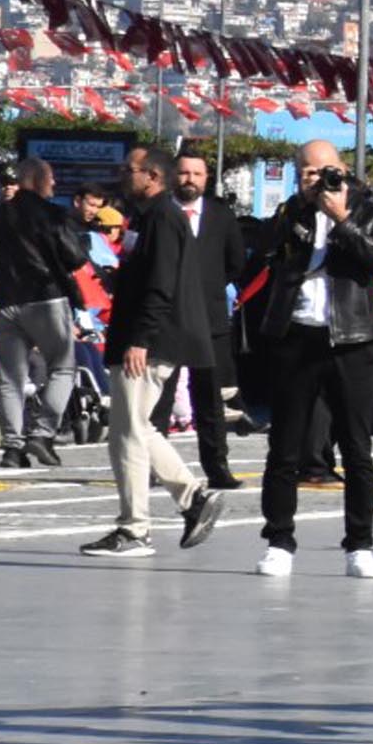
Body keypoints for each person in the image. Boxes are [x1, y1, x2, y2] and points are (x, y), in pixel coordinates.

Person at [246, 139, 373, 578]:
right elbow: (266, 252)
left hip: (352, 339)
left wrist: (341, 216)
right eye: (307, 172)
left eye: (325, 172)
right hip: (297, 337)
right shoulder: (291, 213)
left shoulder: (368, 211)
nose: (317, 180)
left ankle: (360, 545)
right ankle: (279, 540)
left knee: (357, 449)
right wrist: (302, 209)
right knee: (285, 447)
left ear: (343, 171)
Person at [79, 145, 227, 558]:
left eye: (131, 170)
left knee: (129, 432)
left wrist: (141, 339)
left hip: (150, 340)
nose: (124, 175)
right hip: (143, 336)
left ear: (153, 176)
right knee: (137, 428)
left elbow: (162, 284)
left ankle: (136, 528)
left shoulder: (162, 218)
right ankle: (191, 498)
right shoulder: (152, 218)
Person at [151, 148, 247, 490]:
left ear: (207, 179)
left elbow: (237, 262)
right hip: (166, 319)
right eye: (184, 173)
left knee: (210, 398)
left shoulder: (221, 216)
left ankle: (217, 467)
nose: (189, 179)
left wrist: (207, 289)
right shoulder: (157, 212)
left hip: (209, 317)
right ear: (173, 177)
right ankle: (155, 467)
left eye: (196, 174)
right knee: (159, 399)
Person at [0, 156, 89, 468]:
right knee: (63, 367)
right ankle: (42, 433)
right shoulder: (51, 214)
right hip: (45, 297)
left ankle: (12, 447)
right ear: (34, 179)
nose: (55, 183)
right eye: (50, 177)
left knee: (10, 377)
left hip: (4, 300)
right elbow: (74, 257)